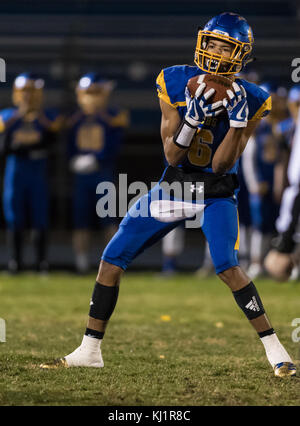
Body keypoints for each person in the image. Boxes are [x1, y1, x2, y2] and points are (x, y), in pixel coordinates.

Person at [41, 13, 296, 377]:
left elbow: (223, 165)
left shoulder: (254, 99)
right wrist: (192, 120)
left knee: (227, 266)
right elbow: (173, 156)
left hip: (215, 193)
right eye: (212, 43)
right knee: (112, 258)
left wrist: (238, 124)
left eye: (226, 47)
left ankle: (276, 350)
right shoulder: (173, 81)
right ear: (201, 42)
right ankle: (89, 349)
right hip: (174, 185)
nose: (217, 53)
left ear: (241, 54)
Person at [0, 72, 62, 273]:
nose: (27, 96)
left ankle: (41, 263)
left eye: (31, 91)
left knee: (39, 215)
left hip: (37, 170)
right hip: (16, 170)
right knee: (14, 215)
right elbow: (4, 146)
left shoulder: (47, 117)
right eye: (24, 91)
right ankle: (15, 262)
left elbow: (52, 140)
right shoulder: (8, 116)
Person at [67, 72, 129, 273]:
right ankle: (81, 262)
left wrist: (98, 158)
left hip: (103, 172)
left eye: (96, 92)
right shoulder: (75, 119)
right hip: (81, 176)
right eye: (88, 92)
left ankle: (113, 262)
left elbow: (115, 144)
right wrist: (74, 159)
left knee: (109, 219)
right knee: (80, 219)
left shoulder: (114, 117)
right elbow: (69, 144)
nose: (91, 97)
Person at [242, 82, 289, 279]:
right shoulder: (256, 127)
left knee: (273, 224)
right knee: (256, 224)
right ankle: (254, 262)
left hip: (274, 183)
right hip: (258, 183)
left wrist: (280, 182)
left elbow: (282, 159)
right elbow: (249, 158)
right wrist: (254, 182)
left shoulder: (280, 128)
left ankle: (271, 262)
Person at [264, 86, 300, 281]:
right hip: (293, 191)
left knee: (275, 265)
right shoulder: (287, 127)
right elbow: (277, 157)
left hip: (296, 194)